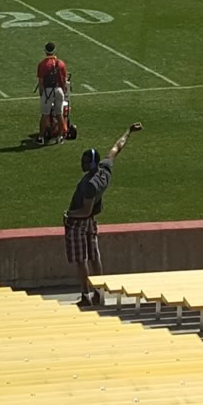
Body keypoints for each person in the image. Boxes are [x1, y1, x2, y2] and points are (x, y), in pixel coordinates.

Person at [64, 123, 142, 306]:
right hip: (91, 222)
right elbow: (116, 148)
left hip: (79, 222)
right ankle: (99, 294)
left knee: (82, 259)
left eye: (84, 162)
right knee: (94, 256)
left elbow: (85, 210)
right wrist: (128, 131)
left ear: (90, 164)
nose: (81, 164)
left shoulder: (89, 185)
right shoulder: (104, 170)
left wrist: (68, 214)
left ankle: (86, 296)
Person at [36, 43, 74, 143]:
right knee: (59, 114)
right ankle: (60, 136)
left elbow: (41, 82)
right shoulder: (61, 63)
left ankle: (41, 137)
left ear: (45, 51)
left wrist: (41, 94)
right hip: (59, 90)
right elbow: (65, 80)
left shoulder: (42, 64)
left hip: (48, 91)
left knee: (45, 114)